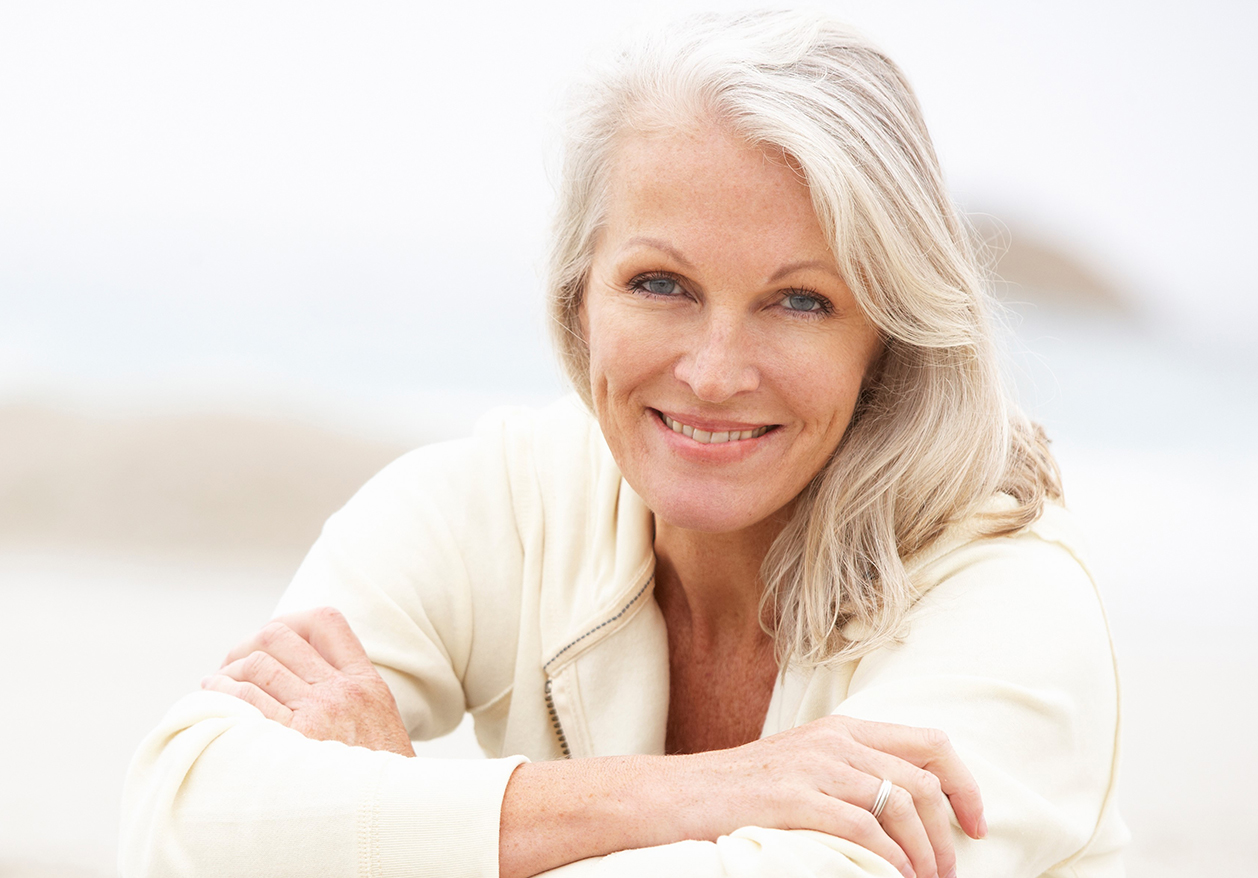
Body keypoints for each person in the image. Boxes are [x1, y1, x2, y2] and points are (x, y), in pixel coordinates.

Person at [119, 10, 1124, 878]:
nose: (715, 370)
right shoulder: (498, 504)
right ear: (578, 295)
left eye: (799, 300)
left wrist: (395, 823)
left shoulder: (1007, 598)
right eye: (660, 283)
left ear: (887, 339)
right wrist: (689, 791)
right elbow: (180, 813)